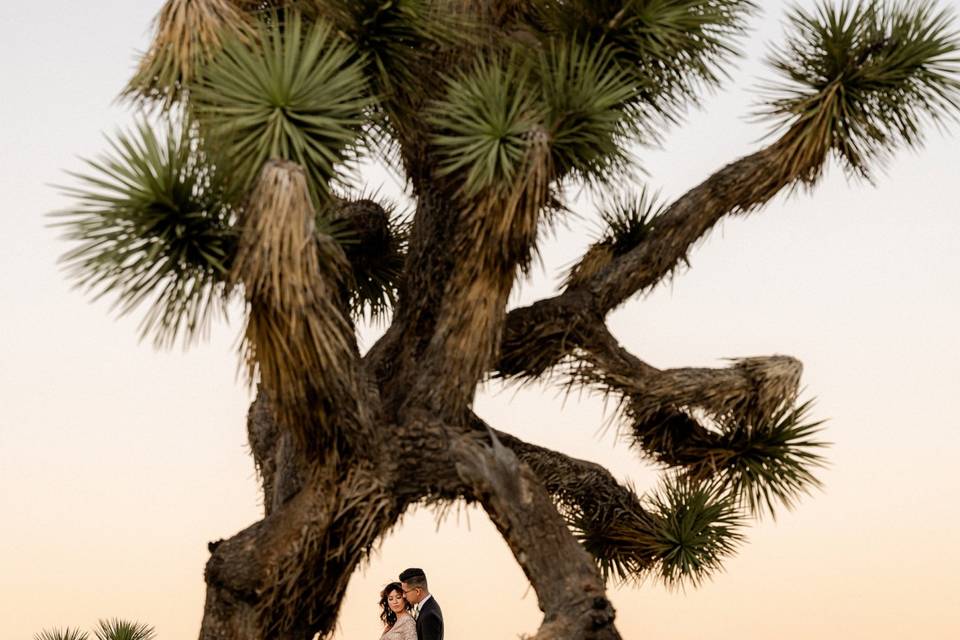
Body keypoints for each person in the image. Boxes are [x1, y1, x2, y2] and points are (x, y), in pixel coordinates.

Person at [399, 568, 443, 640]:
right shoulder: (429, 606)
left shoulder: (429, 615)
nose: (403, 596)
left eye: (405, 592)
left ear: (417, 591)